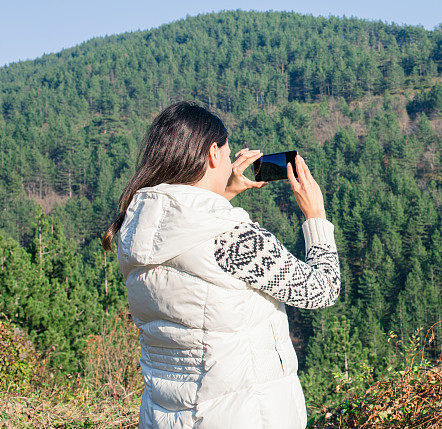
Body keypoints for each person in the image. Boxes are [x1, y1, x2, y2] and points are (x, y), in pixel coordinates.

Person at [101, 100, 340, 428]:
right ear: (213, 154)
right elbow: (320, 289)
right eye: (227, 154)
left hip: (165, 416)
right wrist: (315, 216)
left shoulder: (137, 227)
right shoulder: (227, 235)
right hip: (242, 416)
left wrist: (219, 196)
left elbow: (195, 262)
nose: (231, 161)